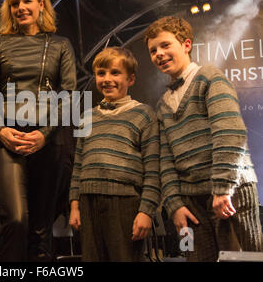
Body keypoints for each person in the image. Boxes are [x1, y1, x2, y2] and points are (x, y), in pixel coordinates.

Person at [145, 16, 262, 261]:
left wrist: (222, 188)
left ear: (186, 45)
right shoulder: (163, 105)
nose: (159, 54)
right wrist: (174, 204)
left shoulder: (210, 77)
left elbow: (229, 132)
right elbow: (165, 160)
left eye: (165, 45)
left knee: (242, 258)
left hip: (231, 192)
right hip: (192, 201)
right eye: (153, 50)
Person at [0, 0, 77, 261]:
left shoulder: (61, 45)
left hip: (49, 138)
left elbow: (69, 94)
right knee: (17, 219)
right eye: (15, 3)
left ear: (41, 3)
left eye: (27, 1)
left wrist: (44, 134)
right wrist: (0, 131)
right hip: (8, 136)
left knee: (41, 228)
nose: (21, 7)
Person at [68, 47, 160, 261]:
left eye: (115, 73)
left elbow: (154, 169)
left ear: (131, 79)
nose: (107, 79)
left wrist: (146, 211)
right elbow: (78, 165)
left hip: (125, 202)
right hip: (88, 202)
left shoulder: (144, 115)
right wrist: (75, 205)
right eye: (101, 73)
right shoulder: (86, 117)